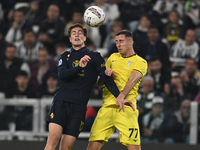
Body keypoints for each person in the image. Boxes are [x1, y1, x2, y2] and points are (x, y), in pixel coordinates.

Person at [44, 23, 132, 150]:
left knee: (66, 147)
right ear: (70, 39)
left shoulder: (95, 56)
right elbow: (62, 75)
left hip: (79, 106)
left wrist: (119, 96)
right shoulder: (65, 55)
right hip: (61, 102)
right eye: (73, 33)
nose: (77, 34)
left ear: (85, 38)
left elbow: (105, 79)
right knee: (53, 139)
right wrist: (79, 67)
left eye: (80, 32)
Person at [87, 30, 147, 150]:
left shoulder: (140, 62)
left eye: (121, 41)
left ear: (131, 42)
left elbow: (133, 80)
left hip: (126, 108)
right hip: (107, 107)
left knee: (134, 147)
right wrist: (105, 74)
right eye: (116, 42)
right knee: (92, 146)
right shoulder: (113, 58)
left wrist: (121, 96)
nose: (118, 44)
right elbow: (100, 83)